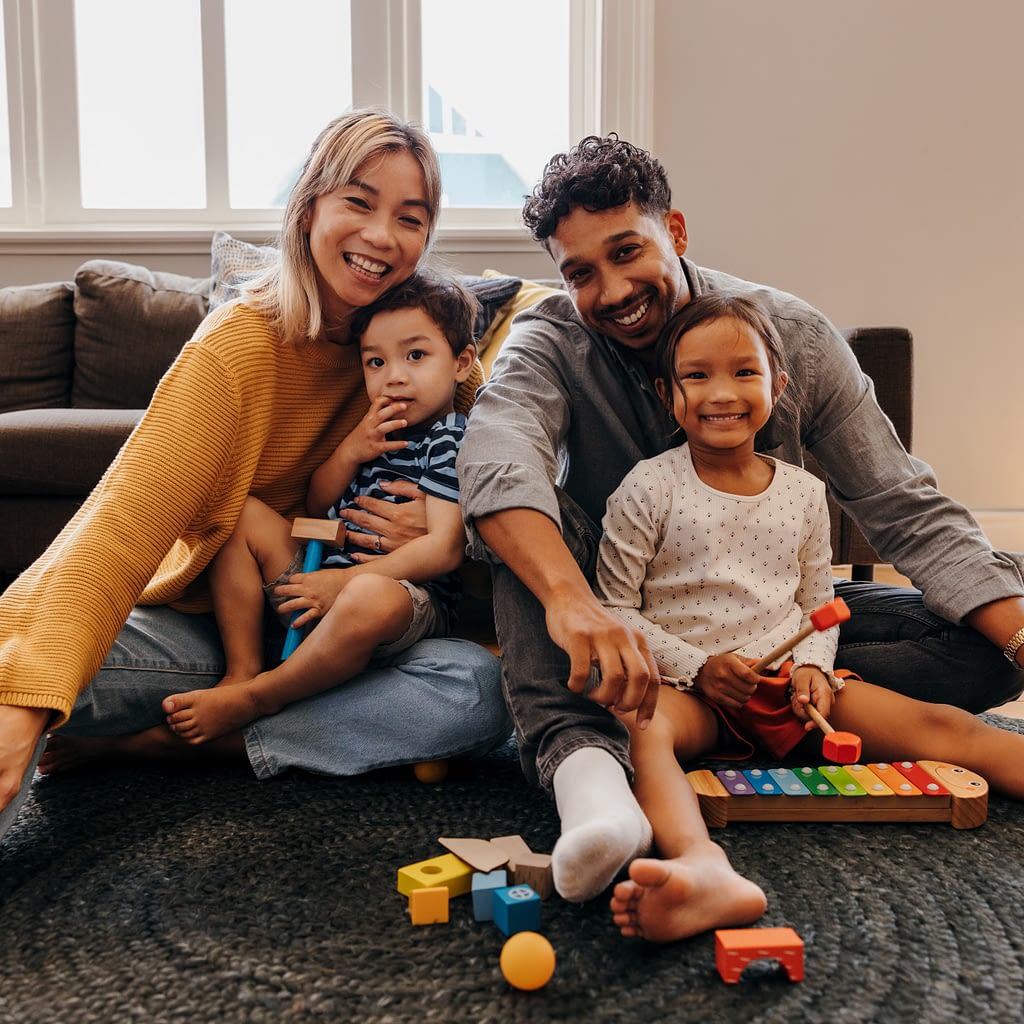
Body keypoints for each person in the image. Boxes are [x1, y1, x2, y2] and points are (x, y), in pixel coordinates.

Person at [456, 133, 1024, 903]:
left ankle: (746, 717)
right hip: (626, 624)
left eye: (628, 252)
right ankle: (587, 770)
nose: (613, 288)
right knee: (524, 518)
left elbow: (904, 507)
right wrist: (570, 601)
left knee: (991, 634)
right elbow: (497, 455)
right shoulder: (551, 343)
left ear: (675, 232)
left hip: (770, 622)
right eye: (581, 272)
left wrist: (1016, 636)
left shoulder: (793, 336)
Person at [0, 109, 510, 840]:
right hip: (215, 634)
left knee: (478, 691)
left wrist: (417, 540)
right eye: (359, 203)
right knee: (18, 676)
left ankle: (209, 742)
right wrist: (24, 703)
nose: (381, 237)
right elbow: (121, 520)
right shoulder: (236, 346)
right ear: (309, 211)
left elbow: (485, 517)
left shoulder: (428, 347)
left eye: (411, 217)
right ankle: (245, 719)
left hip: (355, 640)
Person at [595, 292, 1024, 943]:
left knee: (943, 726)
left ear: (779, 384)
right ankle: (702, 866)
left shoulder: (803, 492)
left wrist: (812, 670)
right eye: (698, 375)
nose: (723, 393)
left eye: (745, 372)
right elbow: (613, 611)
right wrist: (699, 668)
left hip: (790, 693)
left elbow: (818, 609)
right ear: (667, 392)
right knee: (638, 733)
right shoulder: (648, 488)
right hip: (692, 693)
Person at [162, 269, 478, 744]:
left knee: (370, 597)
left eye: (416, 355)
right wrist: (352, 449)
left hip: (401, 601)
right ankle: (242, 669)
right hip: (318, 580)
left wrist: (344, 583)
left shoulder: (449, 438)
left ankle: (265, 694)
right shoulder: (374, 429)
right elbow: (317, 503)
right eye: (375, 362)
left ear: (461, 362)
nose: (394, 377)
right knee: (239, 512)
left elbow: (444, 550)